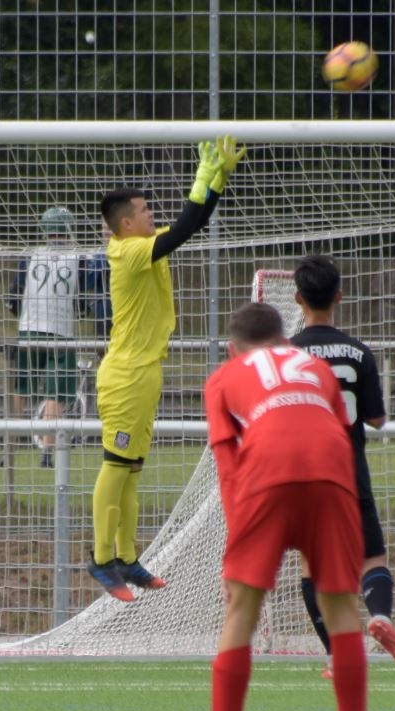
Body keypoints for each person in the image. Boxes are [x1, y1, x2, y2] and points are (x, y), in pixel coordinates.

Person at [189, 302, 374, 711]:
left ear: (234, 349)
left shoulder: (224, 376)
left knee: (241, 611)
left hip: (266, 476)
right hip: (333, 475)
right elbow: (335, 433)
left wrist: (237, 544)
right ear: (285, 341)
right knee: (342, 613)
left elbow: (229, 467)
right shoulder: (315, 367)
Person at [87, 135, 244, 601]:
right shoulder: (129, 251)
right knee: (116, 467)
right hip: (127, 375)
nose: (152, 213)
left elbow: (190, 221)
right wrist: (204, 175)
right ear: (126, 223)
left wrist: (218, 178)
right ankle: (100, 560)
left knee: (132, 469)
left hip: (143, 373)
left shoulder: (142, 242)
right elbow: (185, 229)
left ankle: (127, 557)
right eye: (145, 209)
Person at [289, 255, 395, 673]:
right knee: (372, 559)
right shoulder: (357, 351)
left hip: (304, 471)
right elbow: (377, 419)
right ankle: (380, 617)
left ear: (297, 298)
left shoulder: (286, 354)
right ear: (339, 297)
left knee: (313, 563)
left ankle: (338, 656)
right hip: (348, 467)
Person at [6, 208, 96, 468]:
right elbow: (82, 297)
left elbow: (13, 295)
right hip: (61, 330)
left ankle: (11, 446)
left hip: (29, 328)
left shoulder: (31, 255)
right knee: (56, 391)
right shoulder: (78, 257)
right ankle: (46, 451)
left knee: (22, 388)